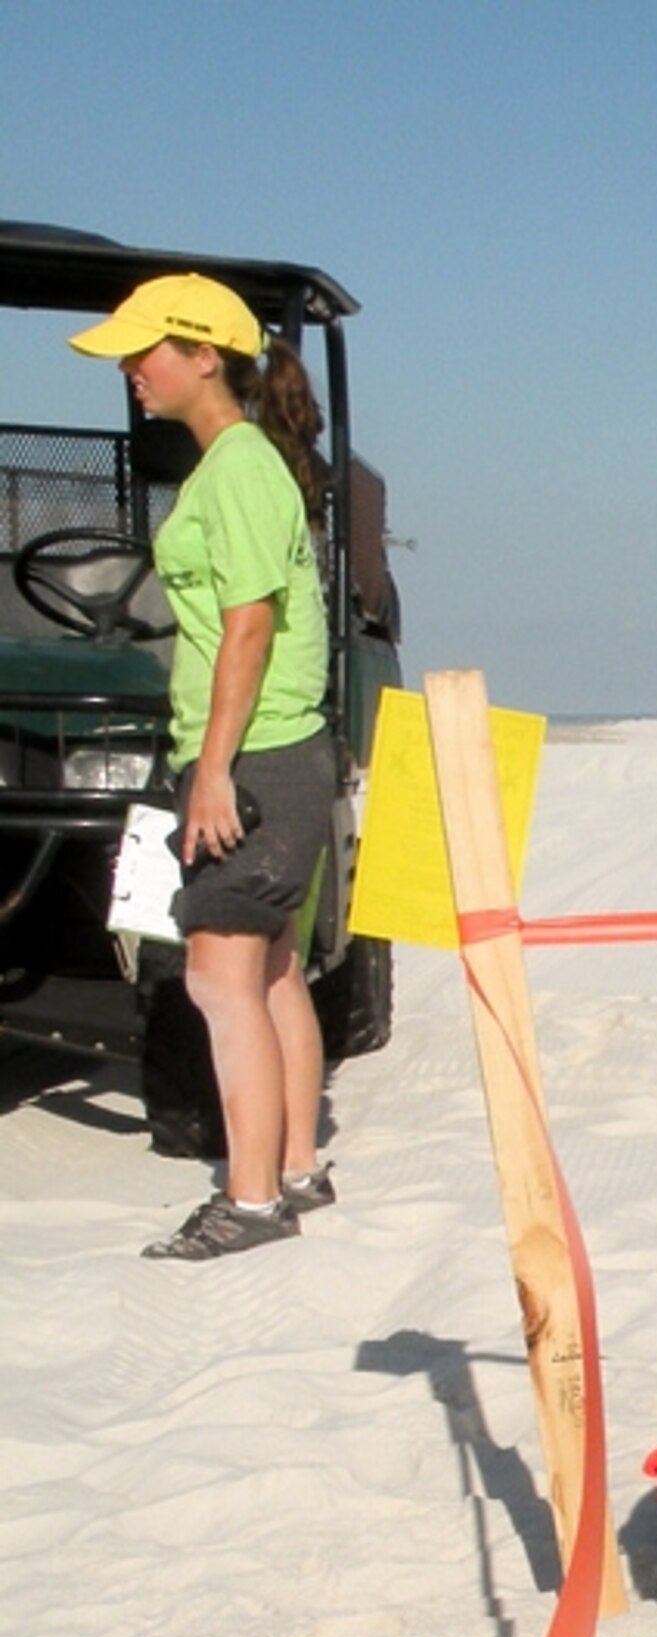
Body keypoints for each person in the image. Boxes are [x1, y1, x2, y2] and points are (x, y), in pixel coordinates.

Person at [70, 275, 340, 1259]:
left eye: (146, 353)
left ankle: (255, 1197)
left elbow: (249, 626)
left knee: (219, 982)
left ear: (204, 355)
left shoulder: (235, 469)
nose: (133, 371)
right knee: (269, 975)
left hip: (256, 754)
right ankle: (300, 1167)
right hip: (277, 753)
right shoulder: (240, 465)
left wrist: (214, 771)